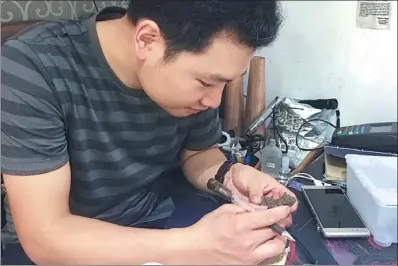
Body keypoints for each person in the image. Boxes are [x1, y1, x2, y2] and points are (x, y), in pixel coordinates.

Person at [1, 0, 298, 264]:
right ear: (147, 39)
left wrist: (230, 177)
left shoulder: (192, 75)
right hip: (68, 247)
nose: (214, 101)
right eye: (207, 83)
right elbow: (46, 238)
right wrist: (192, 245)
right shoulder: (32, 68)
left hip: (164, 220)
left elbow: (198, 153)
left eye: (226, 83)